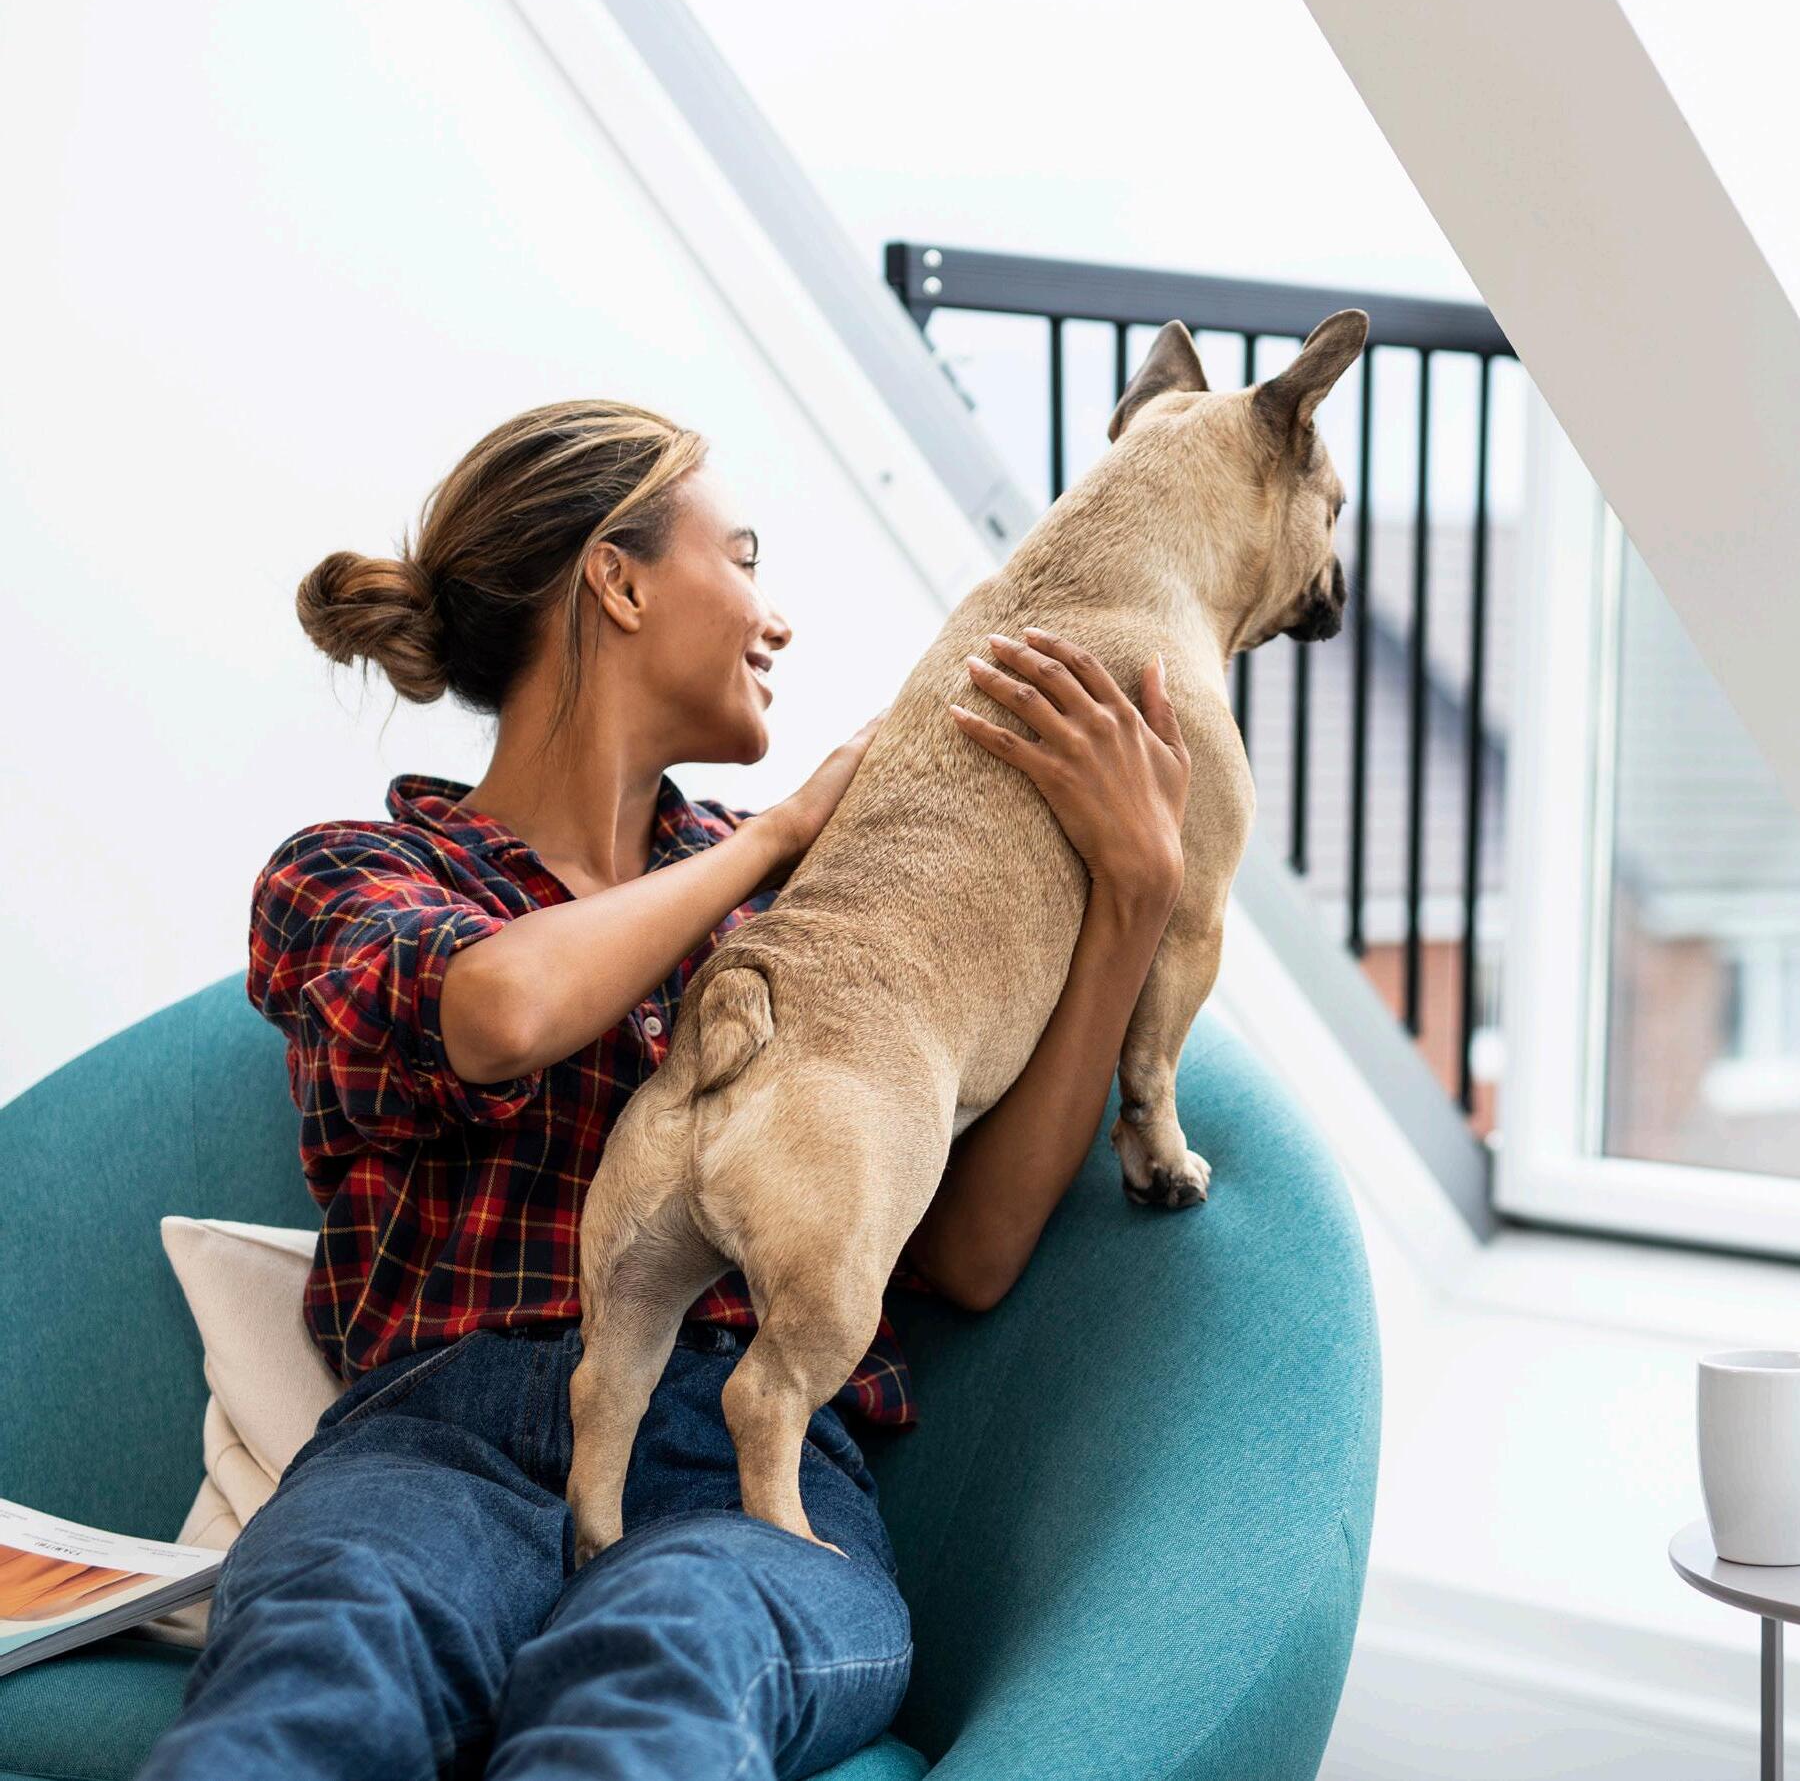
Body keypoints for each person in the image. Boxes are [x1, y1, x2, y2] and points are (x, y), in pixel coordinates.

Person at [138, 399, 1191, 1781]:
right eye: (742, 558)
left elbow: (970, 1256)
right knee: (328, 1657)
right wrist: (769, 842)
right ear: (618, 582)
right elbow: (501, 1013)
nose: (777, 619)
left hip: (744, 1472)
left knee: (663, 1674)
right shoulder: (349, 874)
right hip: (432, 1450)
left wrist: (1135, 898)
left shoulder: (830, 908)